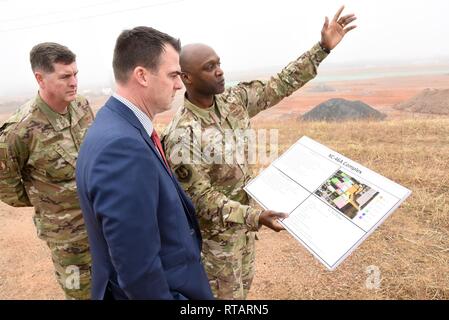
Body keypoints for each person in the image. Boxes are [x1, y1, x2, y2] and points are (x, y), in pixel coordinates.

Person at [162, 5, 357, 299]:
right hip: (216, 246)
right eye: (208, 67)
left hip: (245, 236)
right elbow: (202, 201)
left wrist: (321, 49)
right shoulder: (181, 134)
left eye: (218, 62)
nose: (219, 70)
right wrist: (255, 216)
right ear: (186, 78)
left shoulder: (232, 101)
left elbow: (279, 84)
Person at [75, 26, 213, 300]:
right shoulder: (122, 147)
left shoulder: (118, 125)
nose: (180, 84)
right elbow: (136, 269)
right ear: (142, 75)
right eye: (173, 74)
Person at [0, 42, 93, 299]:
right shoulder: (21, 129)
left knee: (115, 286)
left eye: (75, 74)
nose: (73, 82)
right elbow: (7, 186)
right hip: (66, 238)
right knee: (81, 293)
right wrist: (49, 202)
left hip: (101, 223)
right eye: (65, 76)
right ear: (40, 78)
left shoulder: (82, 106)